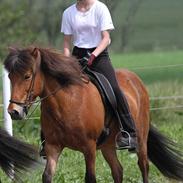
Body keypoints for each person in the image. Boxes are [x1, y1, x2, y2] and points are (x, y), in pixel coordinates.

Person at [60, 0, 137, 151]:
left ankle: (129, 133)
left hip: (98, 55)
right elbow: (66, 43)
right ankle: (47, 138)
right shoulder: (68, 12)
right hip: (77, 56)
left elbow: (106, 38)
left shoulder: (100, 8)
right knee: (58, 88)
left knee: (114, 89)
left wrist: (93, 56)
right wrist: (67, 62)